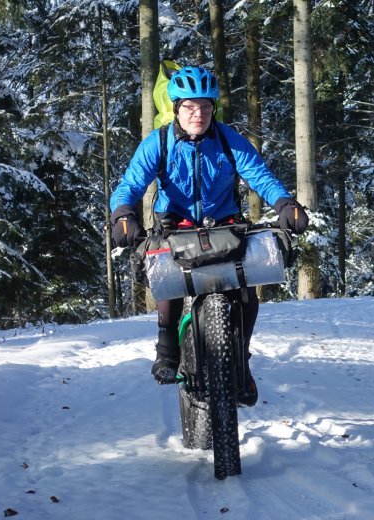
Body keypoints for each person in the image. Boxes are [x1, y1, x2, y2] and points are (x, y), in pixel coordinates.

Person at [109, 66, 308, 406]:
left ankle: (240, 361)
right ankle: (167, 346)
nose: (197, 114)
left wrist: (285, 203)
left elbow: (259, 175)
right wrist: (123, 213)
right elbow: (131, 183)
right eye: (189, 106)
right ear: (176, 108)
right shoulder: (158, 141)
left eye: (204, 106)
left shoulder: (228, 139)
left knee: (246, 291)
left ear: (214, 107)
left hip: (224, 223)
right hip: (176, 224)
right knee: (167, 272)